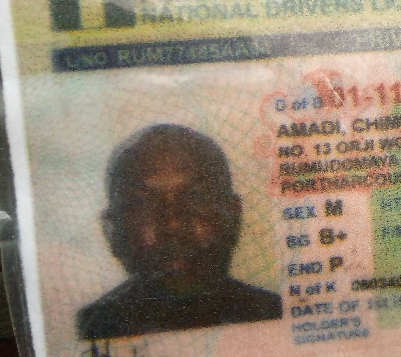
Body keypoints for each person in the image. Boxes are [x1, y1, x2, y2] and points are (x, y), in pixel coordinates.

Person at [77, 124, 282, 340]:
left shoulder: (274, 313)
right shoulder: (91, 329)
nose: (172, 225)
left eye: (196, 198)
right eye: (144, 205)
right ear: (111, 231)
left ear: (234, 216)